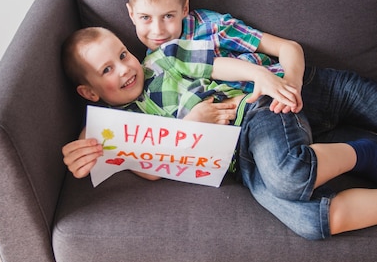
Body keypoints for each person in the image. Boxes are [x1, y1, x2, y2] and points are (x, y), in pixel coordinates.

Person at [62, 25, 377, 240]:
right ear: (89, 93)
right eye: (107, 70)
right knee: (309, 223)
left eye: (121, 55)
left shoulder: (162, 61)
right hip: (240, 163)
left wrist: (261, 76)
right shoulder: (123, 125)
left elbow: (217, 66)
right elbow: (152, 171)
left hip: (253, 112)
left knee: (289, 175)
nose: (124, 68)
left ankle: (366, 153)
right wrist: (83, 145)